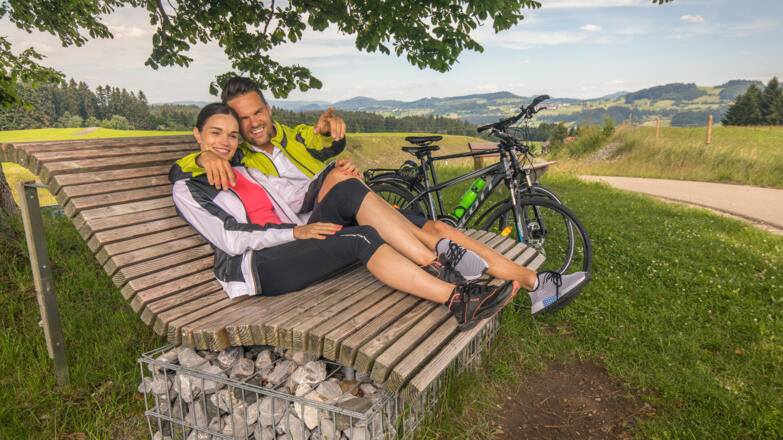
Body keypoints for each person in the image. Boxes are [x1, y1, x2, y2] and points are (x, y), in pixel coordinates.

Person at [170, 77, 590, 314]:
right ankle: (446, 266)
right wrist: (204, 155)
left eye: (256, 112)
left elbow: (317, 159)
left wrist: (332, 149)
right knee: (367, 198)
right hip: (313, 227)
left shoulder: (293, 137)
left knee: (436, 227)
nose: (252, 124)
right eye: (240, 121)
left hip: (342, 206)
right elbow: (193, 172)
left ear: (268, 109)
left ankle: (536, 283)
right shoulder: (233, 158)